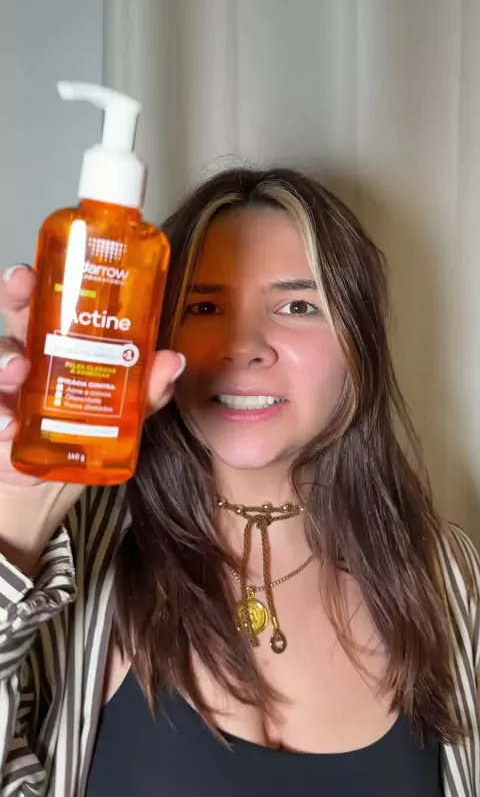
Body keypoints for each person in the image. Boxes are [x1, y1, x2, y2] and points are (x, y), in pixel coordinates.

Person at [0, 167, 478, 797]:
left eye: (297, 306)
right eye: (203, 307)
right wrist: (17, 516)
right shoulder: (70, 552)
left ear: (359, 346)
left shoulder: (446, 574)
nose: (242, 345)